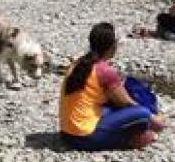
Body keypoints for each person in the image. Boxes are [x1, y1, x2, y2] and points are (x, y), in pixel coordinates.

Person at [59, 22, 166, 151]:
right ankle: (130, 140)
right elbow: (126, 103)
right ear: (111, 46)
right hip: (84, 137)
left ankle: (129, 137)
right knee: (142, 114)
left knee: (111, 109)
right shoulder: (104, 70)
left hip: (66, 133)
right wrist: (154, 118)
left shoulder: (79, 64)